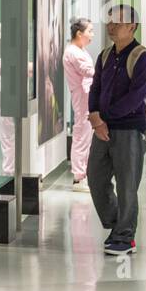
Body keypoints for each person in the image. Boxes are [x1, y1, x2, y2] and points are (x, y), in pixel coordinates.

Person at [87, 4, 146, 256]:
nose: (111, 26)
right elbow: (95, 88)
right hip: (102, 128)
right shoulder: (105, 55)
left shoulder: (141, 56)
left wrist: (106, 118)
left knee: (127, 185)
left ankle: (126, 236)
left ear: (132, 26)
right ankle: (117, 224)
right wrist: (95, 117)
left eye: (118, 22)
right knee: (95, 177)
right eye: (109, 21)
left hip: (129, 129)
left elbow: (137, 96)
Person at [63, 17, 96, 190]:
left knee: (85, 133)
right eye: (90, 31)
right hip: (82, 95)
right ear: (79, 33)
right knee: (82, 134)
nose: (92, 35)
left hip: (86, 95)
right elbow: (89, 71)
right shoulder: (73, 52)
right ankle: (78, 176)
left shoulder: (79, 50)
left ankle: (83, 173)